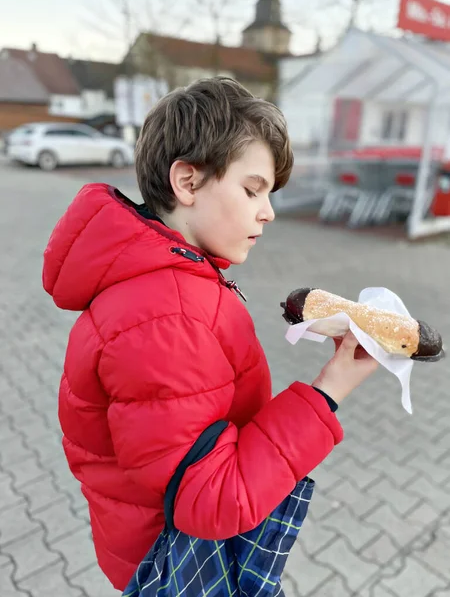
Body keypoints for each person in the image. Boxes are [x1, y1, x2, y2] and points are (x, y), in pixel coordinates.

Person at [42, 77, 378, 592]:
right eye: (252, 189)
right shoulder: (166, 316)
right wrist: (329, 391)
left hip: (155, 544)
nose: (267, 212)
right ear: (188, 182)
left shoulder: (173, 280)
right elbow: (213, 501)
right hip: (181, 565)